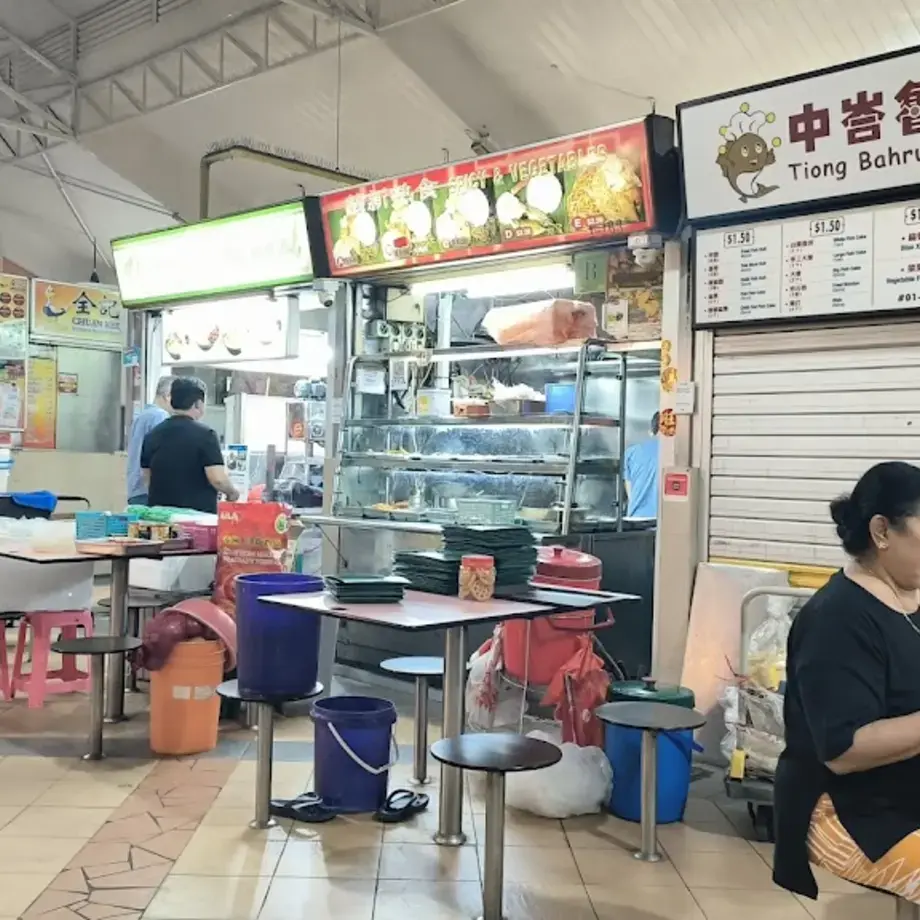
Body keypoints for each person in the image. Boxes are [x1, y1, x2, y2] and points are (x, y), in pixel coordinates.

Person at [773, 461, 920, 904]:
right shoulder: (836, 619)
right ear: (882, 532)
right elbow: (844, 750)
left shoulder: (911, 593)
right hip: (849, 807)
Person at [140, 376, 239, 512]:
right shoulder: (206, 435)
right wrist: (232, 493)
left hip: (161, 518)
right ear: (198, 404)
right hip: (197, 519)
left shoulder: (152, 435)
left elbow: (147, 478)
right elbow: (217, 479)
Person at [126, 376, 172, 505]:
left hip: (135, 487)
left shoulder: (142, 416)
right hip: (148, 489)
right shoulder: (160, 416)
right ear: (168, 396)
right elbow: (159, 454)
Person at [623, 412, 660, 518]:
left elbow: (631, 493)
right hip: (662, 522)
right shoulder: (674, 454)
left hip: (635, 521)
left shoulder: (630, 453)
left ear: (652, 431)